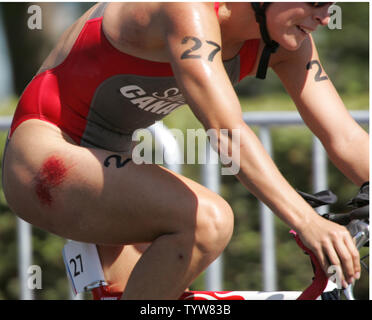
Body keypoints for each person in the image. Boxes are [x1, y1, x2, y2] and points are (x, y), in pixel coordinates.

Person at [2, 2, 368, 300]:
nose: (324, 16)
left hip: (109, 164)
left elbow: (345, 137)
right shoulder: (188, 8)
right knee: (206, 221)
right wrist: (307, 222)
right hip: (46, 154)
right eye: (316, 2)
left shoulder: (286, 42)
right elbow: (226, 132)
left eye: (331, 5)